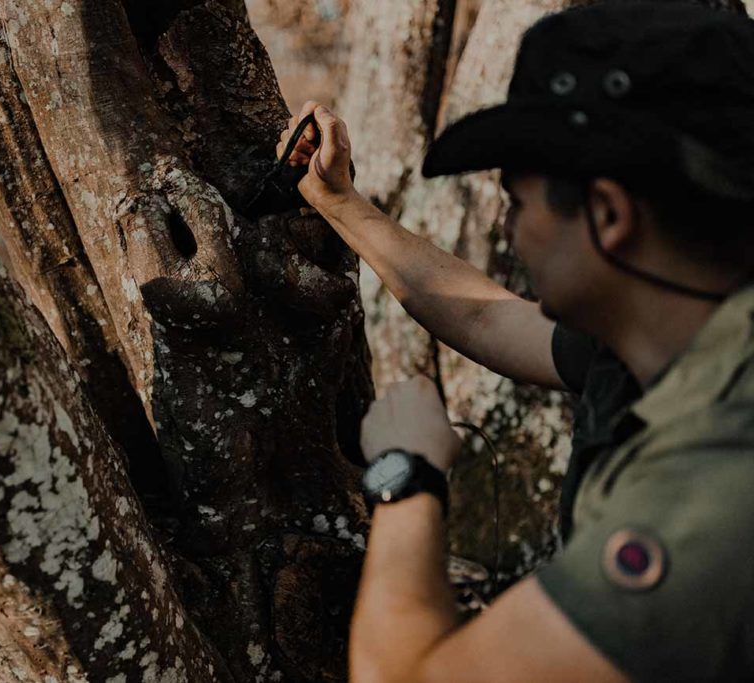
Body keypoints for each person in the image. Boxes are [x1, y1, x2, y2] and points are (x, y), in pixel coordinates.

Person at [277, 2, 754, 681]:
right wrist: (337, 200)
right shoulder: (680, 334)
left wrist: (406, 472)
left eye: (518, 201)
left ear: (610, 215)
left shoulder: (719, 475)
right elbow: (485, 317)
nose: (513, 230)